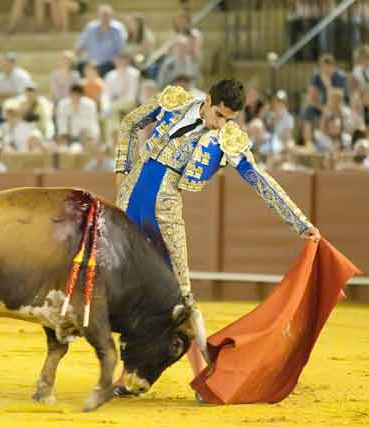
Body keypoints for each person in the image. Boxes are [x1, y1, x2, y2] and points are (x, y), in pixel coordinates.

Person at [113, 80, 321, 398]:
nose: (220, 124)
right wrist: (121, 172)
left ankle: (204, 378)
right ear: (208, 100)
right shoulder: (174, 101)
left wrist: (300, 222)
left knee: (182, 298)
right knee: (129, 295)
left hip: (163, 215)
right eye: (219, 115)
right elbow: (129, 123)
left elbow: (258, 178)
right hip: (129, 205)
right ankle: (128, 376)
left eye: (228, 119)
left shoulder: (226, 139)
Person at [76, 4, 127, 77]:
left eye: (107, 15)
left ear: (111, 16)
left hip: (111, 64)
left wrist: (118, 60)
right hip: (93, 63)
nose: (104, 18)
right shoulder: (90, 28)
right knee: (80, 66)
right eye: (102, 15)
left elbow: (122, 49)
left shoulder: (118, 29)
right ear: (98, 16)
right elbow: (80, 46)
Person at [103, 51, 140, 137]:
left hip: (130, 102)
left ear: (127, 60)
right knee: (111, 114)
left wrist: (110, 107)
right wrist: (105, 106)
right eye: (118, 59)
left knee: (110, 110)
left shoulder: (134, 74)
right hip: (114, 105)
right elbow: (106, 94)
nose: (120, 62)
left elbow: (132, 96)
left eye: (123, 59)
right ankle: (113, 141)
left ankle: (112, 142)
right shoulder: (110, 75)